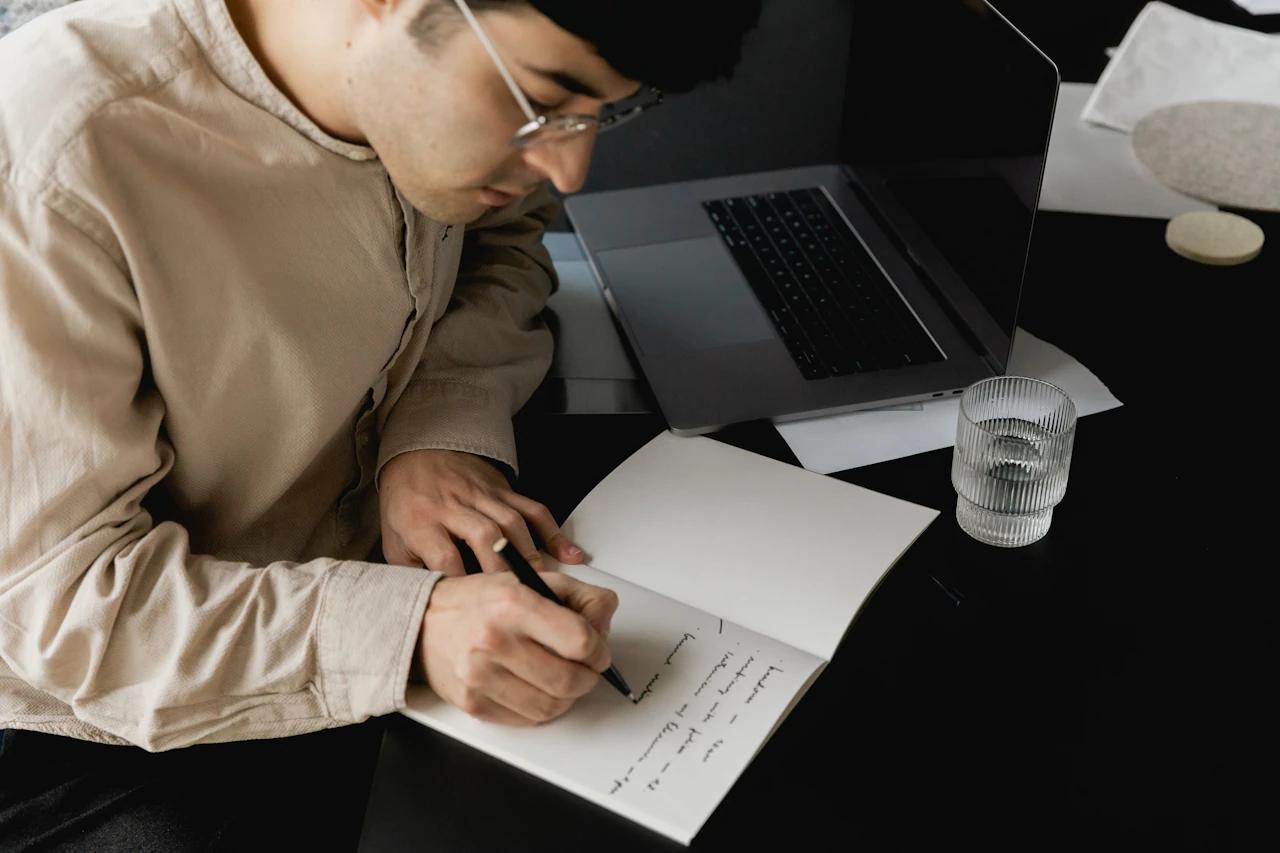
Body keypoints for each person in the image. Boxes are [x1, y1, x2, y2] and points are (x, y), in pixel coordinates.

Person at [0, 0, 761, 847]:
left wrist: (435, 426)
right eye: (544, 98)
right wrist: (415, 629)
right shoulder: (52, 158)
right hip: (106, 712)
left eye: (606, 113)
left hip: (387, 576)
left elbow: (506, 244)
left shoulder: (458, 131)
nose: (572, 167)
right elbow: (64, 607)